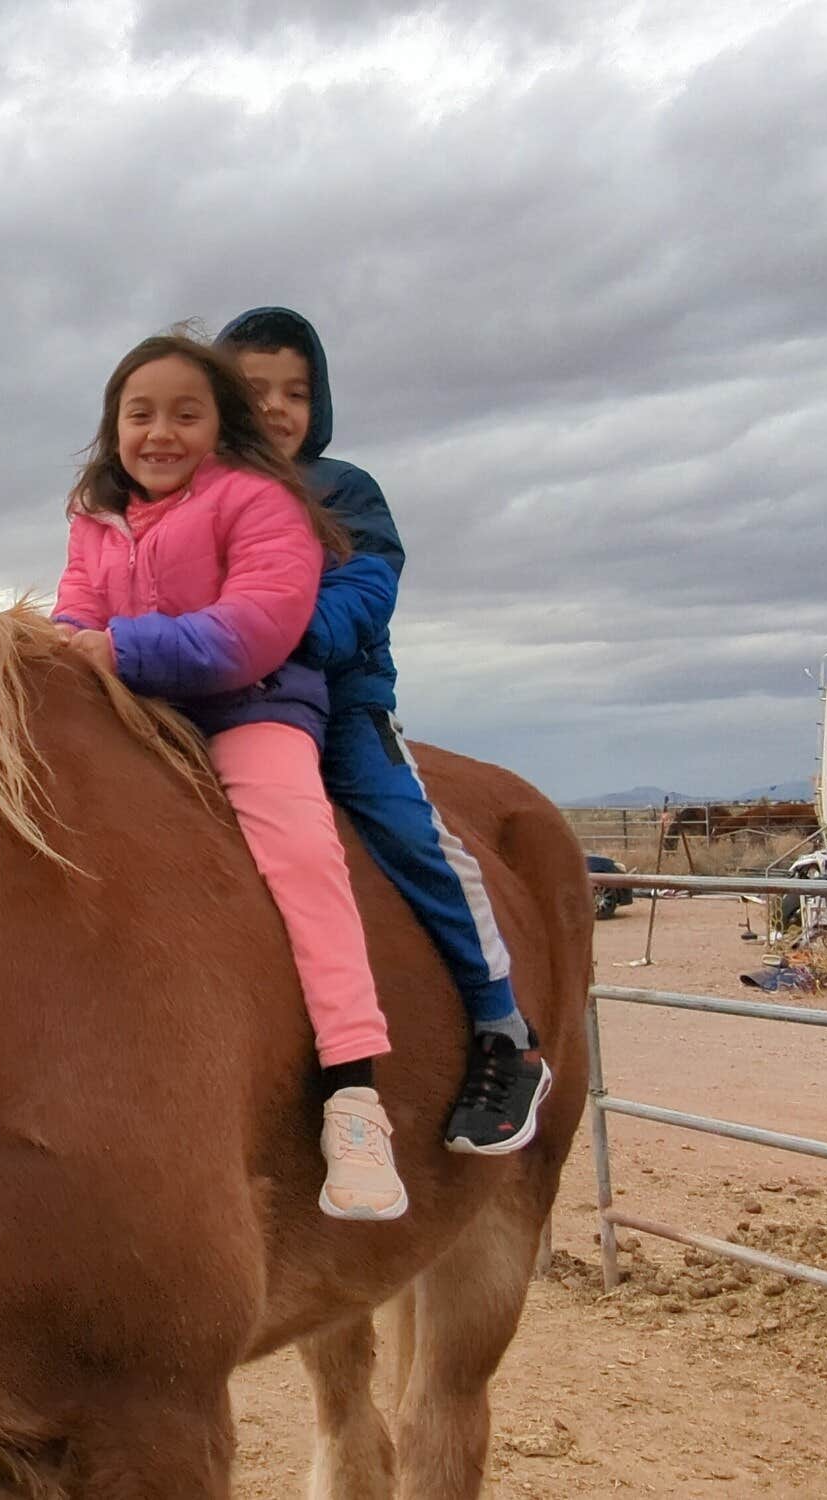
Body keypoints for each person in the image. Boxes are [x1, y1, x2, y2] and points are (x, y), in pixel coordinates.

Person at [52, 330, 407, 1221]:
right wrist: (62, 653)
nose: (160, 432)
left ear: (222, 425)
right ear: (113, 427)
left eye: (185, 413)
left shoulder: (261, 502)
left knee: (302, 856)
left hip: (250, 707)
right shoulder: (95, 518)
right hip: (138, 711)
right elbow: (74, 614)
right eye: (141, 414)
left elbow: (259, 626)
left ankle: (354, 1097)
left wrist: (118, 649)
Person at [216, 306, 551, 1154]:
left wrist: (264, 632)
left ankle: (502, 1028)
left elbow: (364, 598)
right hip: (220, 702)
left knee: (411, 835)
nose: (278, 408)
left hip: (340, 706)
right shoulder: (201, 494)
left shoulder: (345, 491)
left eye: (297, 391)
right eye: (255, 390)